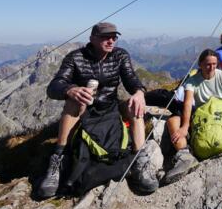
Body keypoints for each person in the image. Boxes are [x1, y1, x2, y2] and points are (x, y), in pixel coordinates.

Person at [38, 22, 157, 197]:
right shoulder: (75, 58)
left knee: (135, 105)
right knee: (72, 102)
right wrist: (70, 90)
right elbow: (54, 87)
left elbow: (131, 79)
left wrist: (139, 92)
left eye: (114, 37)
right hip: (85, 111)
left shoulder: (120, 55)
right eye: (105, 37)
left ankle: (140, 160)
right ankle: (58, 158)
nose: (111, 41)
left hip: (111, 108)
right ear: (92, 38)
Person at [161, 49, 222, 185]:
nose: (211, 67)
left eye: (214, 64)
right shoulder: (192, 81)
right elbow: (188, 103)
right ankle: (185, 156)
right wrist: (185, 126)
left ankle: (221, 134)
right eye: (208, 64)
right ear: (200, 65)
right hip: (202, 118)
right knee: (172, 121)